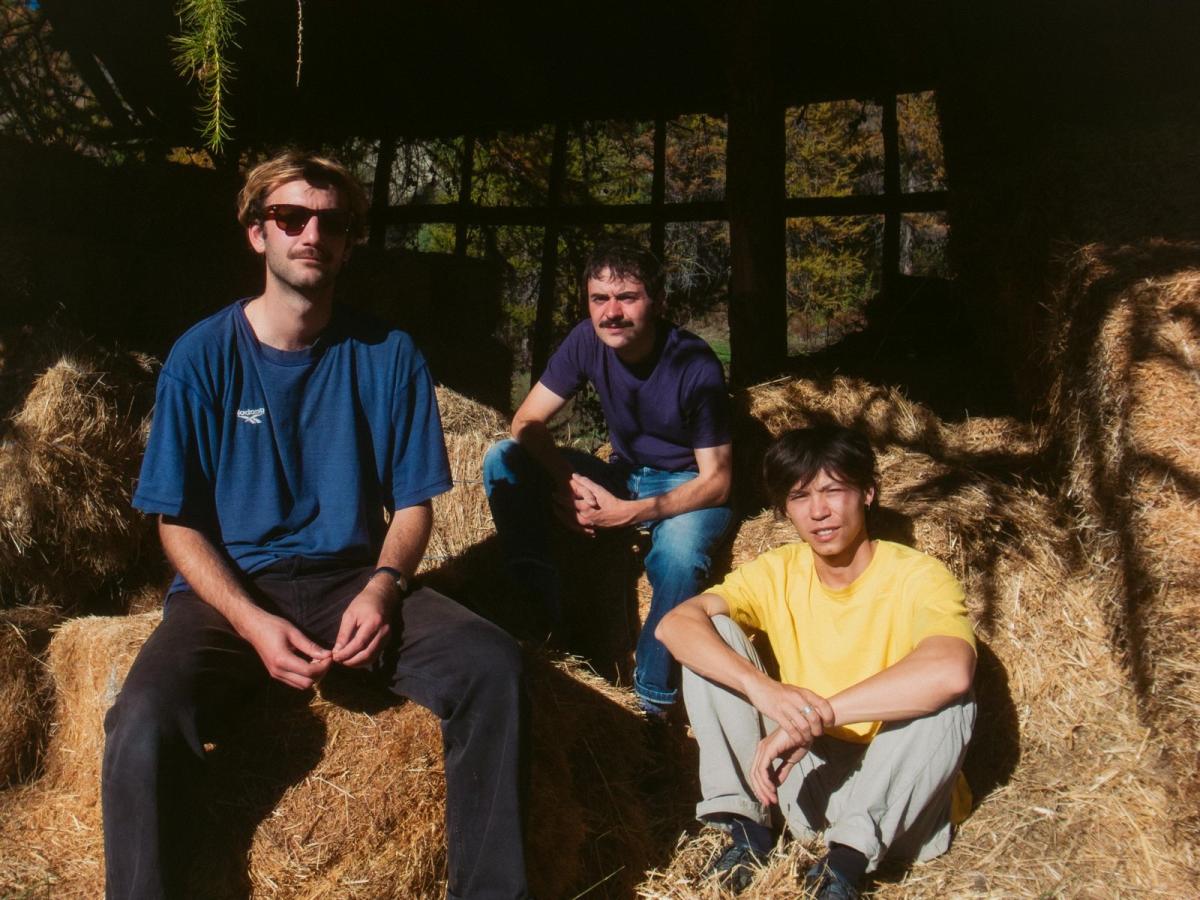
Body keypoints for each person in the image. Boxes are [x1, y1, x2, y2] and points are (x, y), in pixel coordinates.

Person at [102, 151, 529, 900]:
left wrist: (386, 588)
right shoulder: (201, 358)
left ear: (349, 240)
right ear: (256, 233)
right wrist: (250, 621)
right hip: (228, 591)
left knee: (493, 664)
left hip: (348, 581)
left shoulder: (389, 355)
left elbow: (414, 506)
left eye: (332, 222)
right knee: (139, 721)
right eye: (291, 218)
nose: (312, 234)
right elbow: (177, 523)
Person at [656, 425, 976, 898]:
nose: (819, 511)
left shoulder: (918, 576)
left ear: (867, 493)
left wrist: (817, 713)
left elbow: (950, 669)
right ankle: (747, 832)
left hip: (896, 798)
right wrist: (764, 690)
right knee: (712, 634)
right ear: (785, 508)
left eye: (833, 491)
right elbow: (673, 626)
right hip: (801, 783)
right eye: (800, 496)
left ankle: (843, 870)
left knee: (950, 697)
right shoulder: (780, 570)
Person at [482, 240, 733, 718]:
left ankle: (651, 705)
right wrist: (567, 482)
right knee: (504, 460)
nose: (611, 313)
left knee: (679, 558)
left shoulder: (693, 363)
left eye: (627, 298)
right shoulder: (585, 340)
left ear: (656, 301)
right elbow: (526, 422)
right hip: (623, 473)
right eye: (600, 299)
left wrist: (627, 514)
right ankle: (543, 633)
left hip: (685, 483)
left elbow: (717, 481)